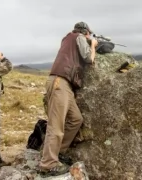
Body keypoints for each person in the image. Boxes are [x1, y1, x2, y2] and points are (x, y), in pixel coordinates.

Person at [38, 22, 98, 177]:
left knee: (76, 119)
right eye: (89, 35)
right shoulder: (78, 37)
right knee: (56, 126)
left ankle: (58, 153)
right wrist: (93, 46)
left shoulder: (68, 38)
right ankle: (48, 164)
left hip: (65, 85)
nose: (89, 37)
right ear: (85, 33)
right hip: (60, 82)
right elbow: (88, 58)